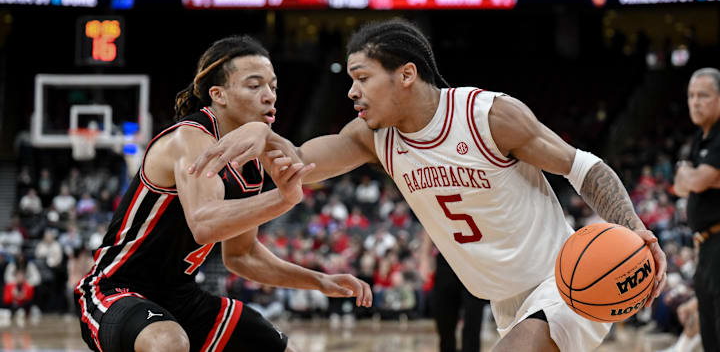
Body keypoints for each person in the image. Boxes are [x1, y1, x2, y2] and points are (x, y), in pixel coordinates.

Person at [189, 19, 667, 352]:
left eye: (362, 78)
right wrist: (259, 133)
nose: (351, 91)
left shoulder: (488, 116)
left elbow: (585, 167)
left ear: (406, 75)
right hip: (505, 299)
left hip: (565, 280)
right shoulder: (374, 140)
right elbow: (292, 165)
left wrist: (632, 227)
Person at [75, 35, 372, 352]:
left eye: (272, 86)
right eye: (254, 86)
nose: (269, 96)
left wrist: (319, 281)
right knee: (168, 342)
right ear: (218, 95)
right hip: (115, 290)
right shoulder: (189, 138)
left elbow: (242, 256)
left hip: (182, 297)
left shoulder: (251, 166)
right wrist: (283, 198)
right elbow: (204, 224)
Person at [673, 67, 720, 352]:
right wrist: (697, 177)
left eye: (703, 95)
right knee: (709, 328)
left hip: (718, 243)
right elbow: (680, 186)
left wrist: (697, 177)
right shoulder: (700, 137)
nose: (695, 102)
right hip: (705, 243)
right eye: (691, 95)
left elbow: (698, 181)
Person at [420, 231, 488, 352]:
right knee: (444, 318)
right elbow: (429, 226)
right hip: (447, 257)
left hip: (475, 259)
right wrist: (425, 257)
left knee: (473, 319)